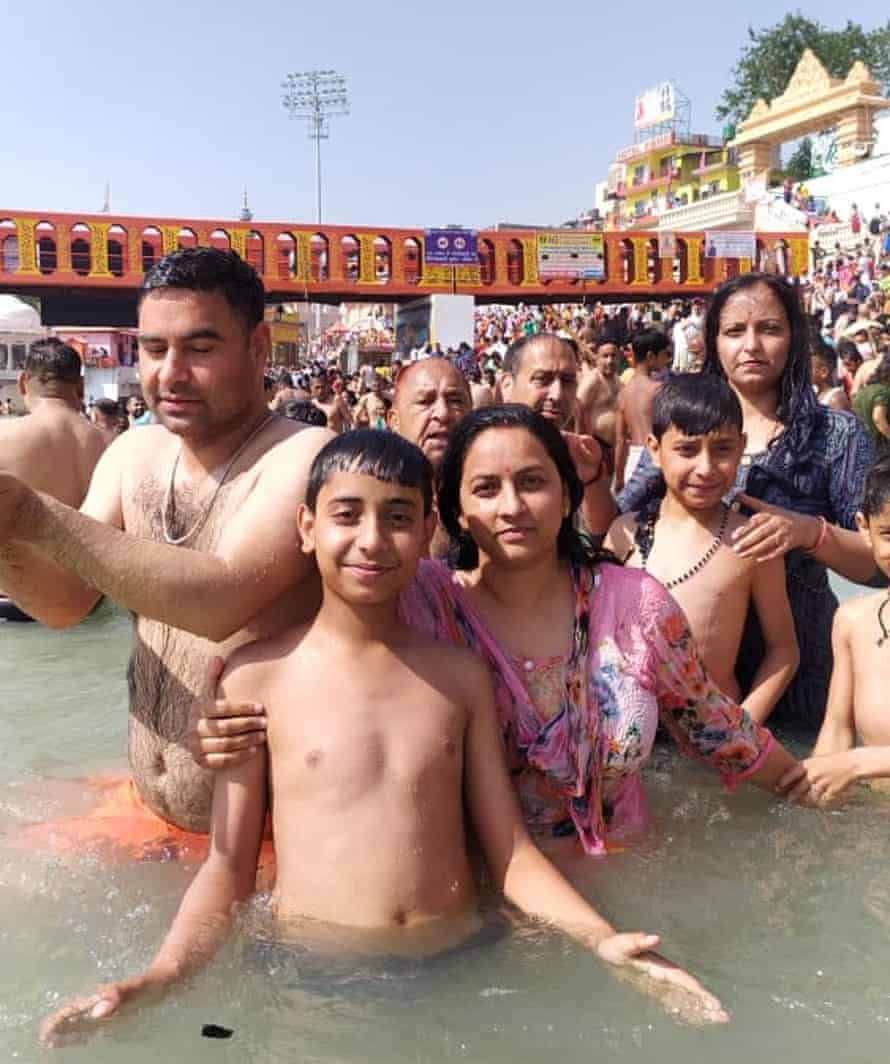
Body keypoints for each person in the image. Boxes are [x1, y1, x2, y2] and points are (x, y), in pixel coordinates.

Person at [41, 431, 727, 1043]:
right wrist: (159, 976)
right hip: (311, 977)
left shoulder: (458, 676)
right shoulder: (256, 681)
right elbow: (228, 870)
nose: (372, 540)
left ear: (430, 527)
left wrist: (603, 941)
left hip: (464, 962)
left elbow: (511, 853)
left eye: (398, 518)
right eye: (347, 515)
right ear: (305, 527)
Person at [0, 248, 330, 840]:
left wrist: (26, 510)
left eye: (199, 349)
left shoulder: (305, 456)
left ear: (257, 348)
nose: (169, 373)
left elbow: (223, 598)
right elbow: (63, 606)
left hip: (269, 838)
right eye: (154, 349)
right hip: (146, 811)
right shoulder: (132, 453)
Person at [619, 273, 876, 731]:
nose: (752, 345)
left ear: (794, 337)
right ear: (713, 341)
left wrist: (809, 533)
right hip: (688, 690)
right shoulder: (681, 420)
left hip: (799, 673)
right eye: (735, 331)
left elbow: (877, 564)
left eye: (770, 329)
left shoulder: (836, 434)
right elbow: (620, 524)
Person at [606, 375, 798, 724]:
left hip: (713, 730)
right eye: (687, 449)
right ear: (654, 449)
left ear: (741, 447)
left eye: (722, 449)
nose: (706, 468)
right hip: (628, 731)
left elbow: (784, 650)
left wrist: (741, 731)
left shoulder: (751, 542)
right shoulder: (625, 534)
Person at [788, 456, 890, 801]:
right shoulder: (852, 620)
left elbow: (850, 761)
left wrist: (858, 763)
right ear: (864, 527)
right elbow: (836, 729)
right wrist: (813, 791)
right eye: (888, 533)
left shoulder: (858, 763)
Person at [0, 340, 106, 623]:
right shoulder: (110, 446)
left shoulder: (4, 438)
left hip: (15, 603)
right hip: (92, 603)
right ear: (80, 386)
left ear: (23, 383)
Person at [498, 333, 614, 534]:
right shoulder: (479, 454)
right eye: (542, 379)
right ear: (507, 385)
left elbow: (602, 532)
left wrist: (591, 481)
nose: (558, 394)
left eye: (568, 381)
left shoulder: (576, 455)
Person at [613, 330, 671, 495]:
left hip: (633, 458)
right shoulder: (659, 390)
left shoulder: (623, 394)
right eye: (664, 354)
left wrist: (618, 477)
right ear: (651, 356)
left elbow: (620, 440)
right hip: (657, 457)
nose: (667, 360)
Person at [576, 339, 622, 455]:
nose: (610, 360)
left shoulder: (616, 378)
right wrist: (583, 444)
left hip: (613, 446)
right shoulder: (593, 380)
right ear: (597, 359)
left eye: (613, 356)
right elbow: (578, 412)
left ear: (619, 358)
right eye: (605, 356)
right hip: (595, 444)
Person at [852, 353, 890, 454]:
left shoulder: (863, 391)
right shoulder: (884, 391)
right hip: (881, 449)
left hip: (864, 447)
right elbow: (878, 418)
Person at [810, 343, 851, 411]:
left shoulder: (835, 399)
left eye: (808, 368)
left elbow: (843, 421)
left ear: (824, 372)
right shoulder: (815, 395)